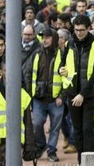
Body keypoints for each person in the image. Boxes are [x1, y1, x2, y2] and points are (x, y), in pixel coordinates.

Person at [24, 28, 64, 162]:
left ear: (54, 39)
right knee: (37, 123)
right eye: (43, 37)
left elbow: (68, 77)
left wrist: (61, 96)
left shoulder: (62, 54)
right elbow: (28, 73)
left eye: (48, 37)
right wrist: (30, 93)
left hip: (56, 98)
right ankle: (41, 145)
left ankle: (51, 151)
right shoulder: (37, 54)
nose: (44, 40)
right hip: (39, 98)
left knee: (55, 127)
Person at [0, 57, 35, 166]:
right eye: (5, 70)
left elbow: (28, 122)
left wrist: (30, 146)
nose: (9, 73)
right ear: (1, 72)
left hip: (17, 139)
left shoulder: (22, 94)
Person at [68, 14, 94, 162]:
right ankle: (80, 161)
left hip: (88, 95)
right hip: (72, 93)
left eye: (82, 30)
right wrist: (62, 70)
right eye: (76, 30)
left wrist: (83, 93)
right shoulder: (70, 44)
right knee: (77, 130)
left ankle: (89, 161)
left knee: (88, 129)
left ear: (88, 29)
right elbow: (62, 64)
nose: (79, 33)